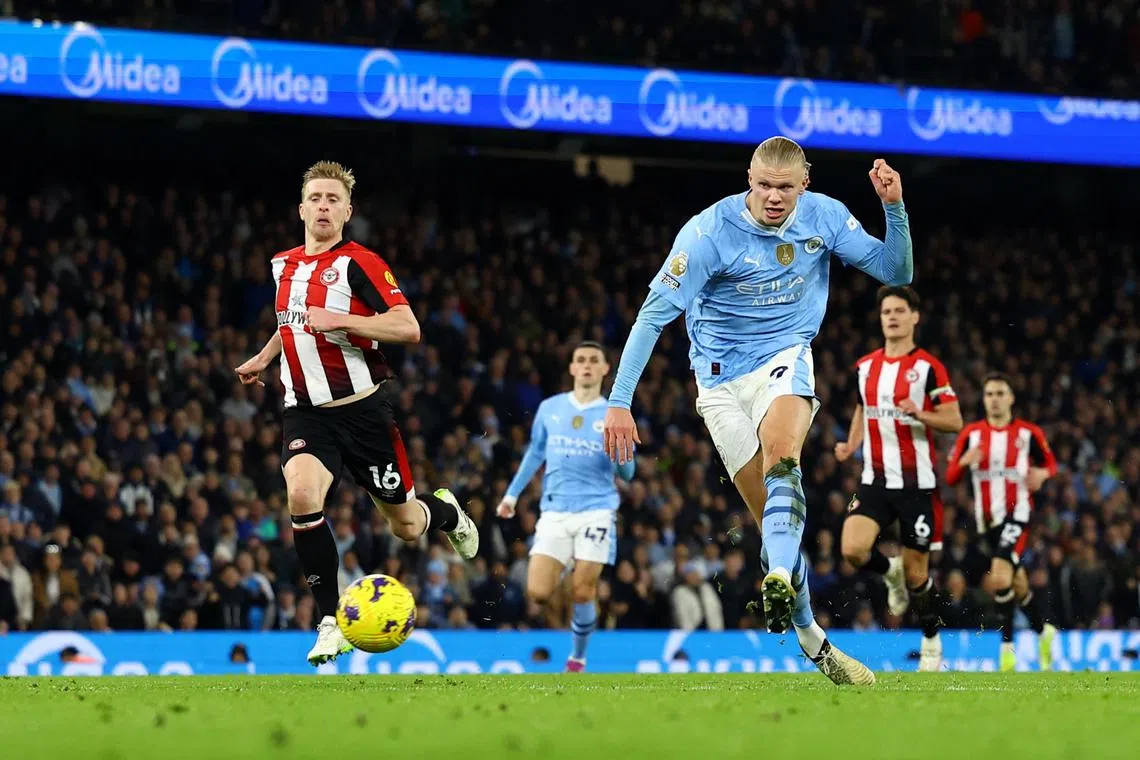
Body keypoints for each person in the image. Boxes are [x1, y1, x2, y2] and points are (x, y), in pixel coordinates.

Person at [604, 136, 914, 686]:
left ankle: (773, 573)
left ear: (805, 183)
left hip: (785, 357)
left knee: (782, 458)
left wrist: (893, 206)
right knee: (771, 520)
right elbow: (652, 318)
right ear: (749, 178)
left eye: (785, 188)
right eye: (765, 185)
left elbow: (895, 271)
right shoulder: (707, 234)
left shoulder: (825, 217)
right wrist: (619, 402)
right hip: (719, 382)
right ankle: (812, 635)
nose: (774, 197)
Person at [234, 161, 478, 666]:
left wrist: (343, 320)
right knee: (301, 494)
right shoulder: (283, 264)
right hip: (305, 413)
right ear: (301, 209)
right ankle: (329, 621)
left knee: (407, 526)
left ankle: (447, 511)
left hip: (363, 413)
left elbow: (407, 327)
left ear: (347, 211)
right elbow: (293, 322)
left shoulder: (360, 263)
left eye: (332, 199)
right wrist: (265, 356)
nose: (323, 206)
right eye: (315, 198)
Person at [835, 285, 962, 672]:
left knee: (918, 574)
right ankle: (887, 571)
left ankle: (930, 640)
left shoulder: (928, 368)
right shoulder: (865, 367)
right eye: (886, 311)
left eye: (899, 310)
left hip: (917, 485)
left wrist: (920, 413)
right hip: (875, 479)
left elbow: (954, 420)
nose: (891, 316)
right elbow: (862, 408)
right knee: (852, 550)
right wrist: (851, 443)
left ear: (914, 317)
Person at [496, 342, 635, 672]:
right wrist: (511, 496)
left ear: (605, 370)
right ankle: (572, 561)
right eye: (580, 360)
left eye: (593, 361)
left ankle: (577, 657)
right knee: (538, 592)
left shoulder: (614, 414)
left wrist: (620, 453)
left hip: (596, 510)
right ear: (572, 369)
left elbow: (629, 473)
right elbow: (535, 453)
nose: (586, 366)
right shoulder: (550, 408)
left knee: (583, 590)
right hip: (555, 512)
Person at [946, 373, 1058, 672]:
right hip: (987, 521)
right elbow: (950, 477)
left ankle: (1007, 650)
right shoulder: (971, 434)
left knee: (998, 578)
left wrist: (1042, 475)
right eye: (989, 394)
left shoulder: (1028, 433)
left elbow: (1051, 463)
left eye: (1000, 393)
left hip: (1018, 513)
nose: (994, 399)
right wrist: (965, 461)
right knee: (1016, 582)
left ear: (1011, 398)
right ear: (984, 400)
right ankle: (1043, 631)